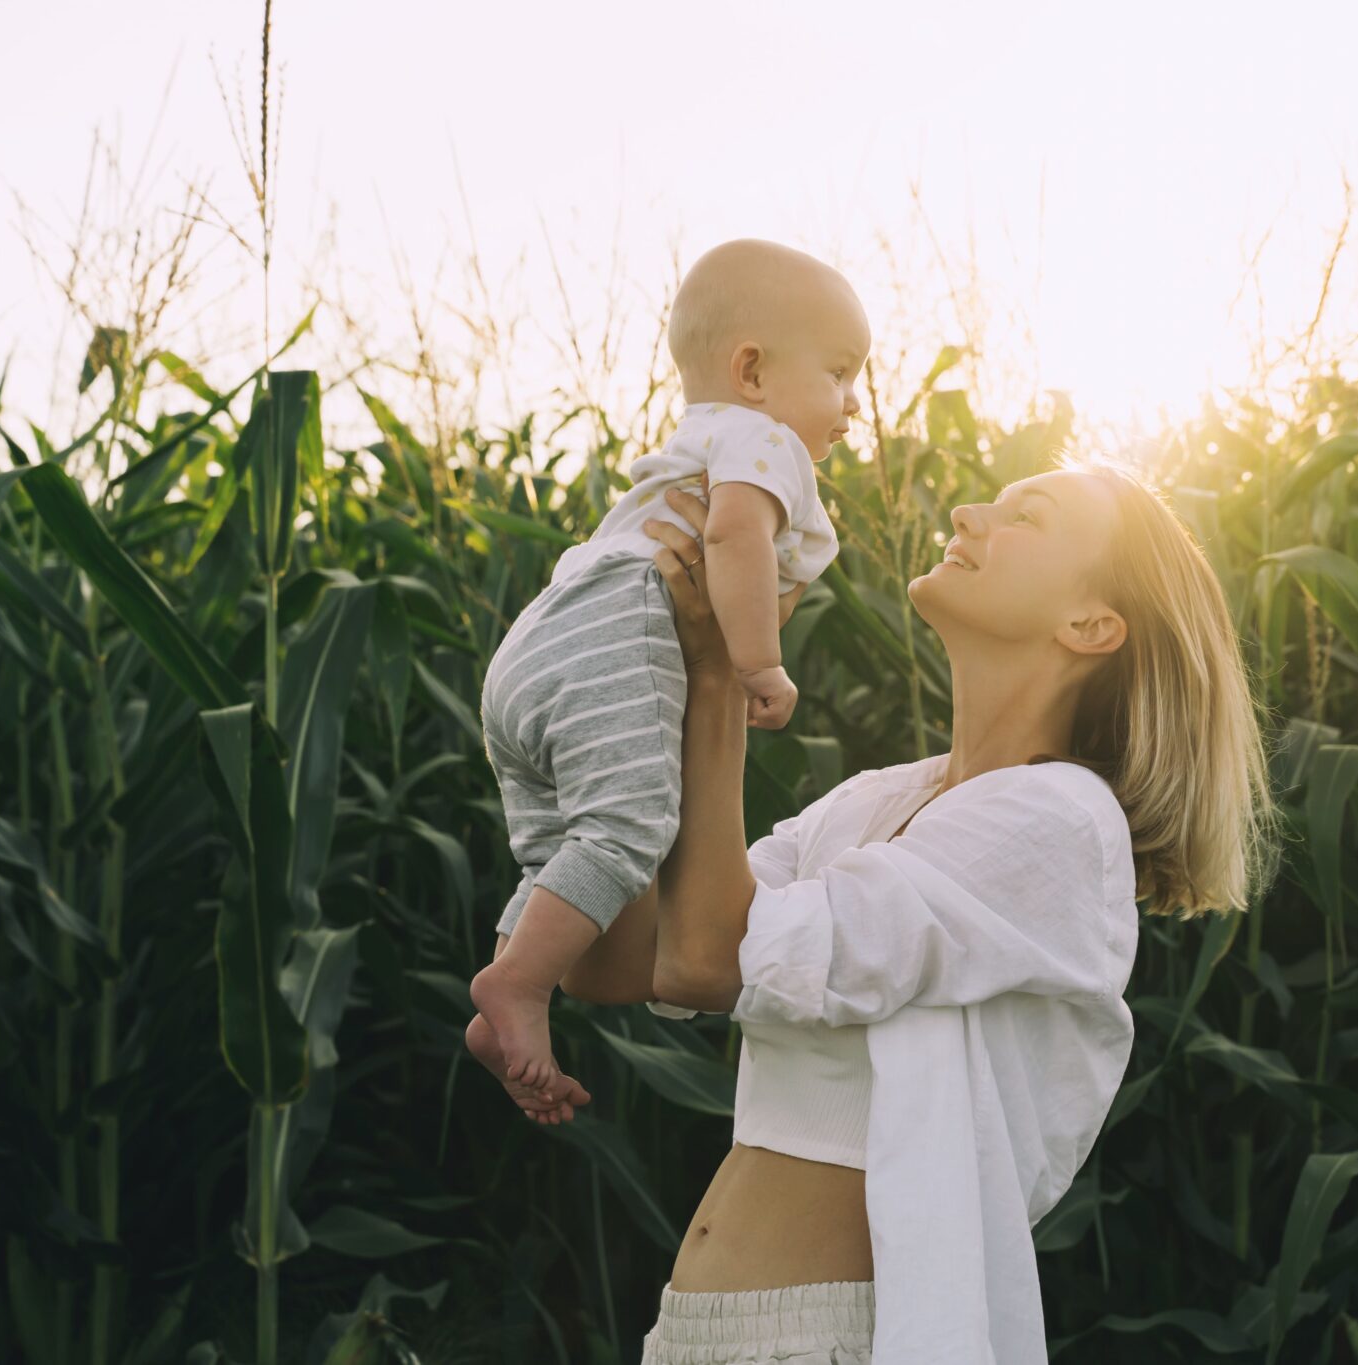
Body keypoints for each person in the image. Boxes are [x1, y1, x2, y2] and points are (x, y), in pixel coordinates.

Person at [565, 457, 1272, 1363]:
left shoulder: (1059, 821)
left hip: (836, 1337)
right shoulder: (872, 801)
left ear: (1091, 624)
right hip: (693, 1332)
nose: (971, 512)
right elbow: (623, 958)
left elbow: (710, 957)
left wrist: (718, 675)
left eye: (1028, 515)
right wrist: (628, 680)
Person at [465, 239, 865, 1118]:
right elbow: (731, 540)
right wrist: (758, 663)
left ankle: (506, 982)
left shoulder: (702, 436)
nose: (852, 404)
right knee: (628, 822)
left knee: (564, 845)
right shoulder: (765, 444)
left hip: (541, 645)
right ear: (752, 370)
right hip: (612, 639)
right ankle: (521, 990)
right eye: (840, 372)